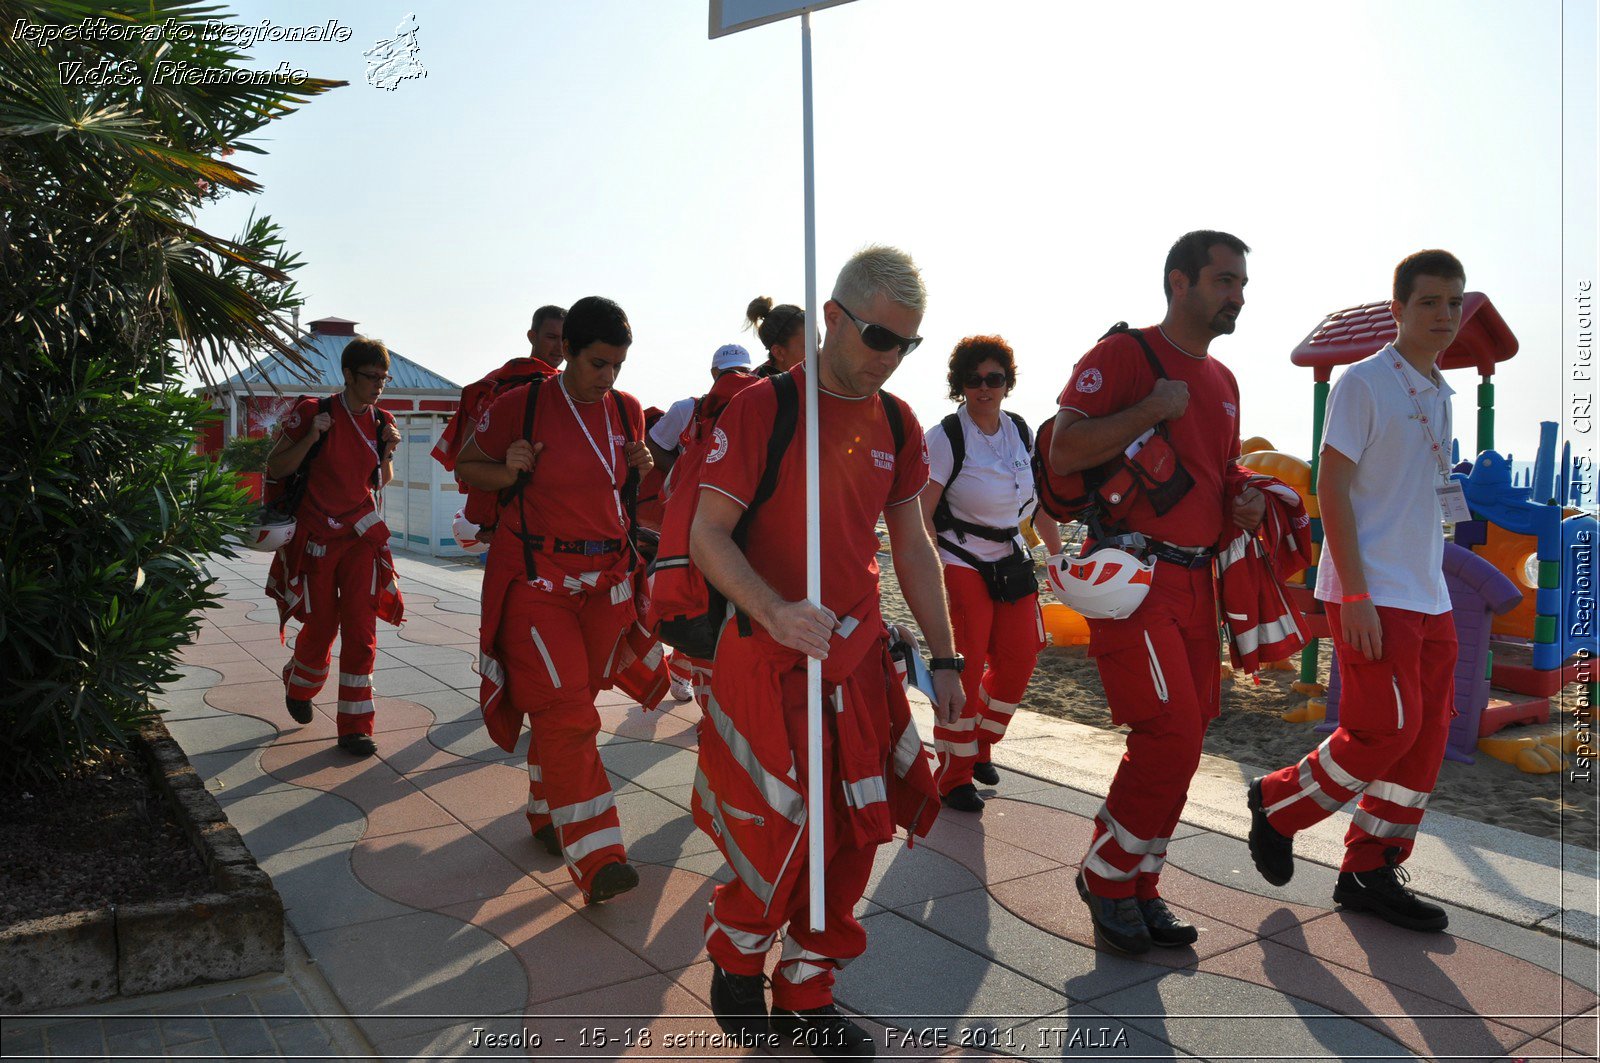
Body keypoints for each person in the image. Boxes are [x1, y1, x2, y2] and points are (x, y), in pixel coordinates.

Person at [692, 247, 961, 1060]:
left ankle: (807, 992)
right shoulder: (764, 409)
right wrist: (774, 610)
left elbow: (913, 546)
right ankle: (736, 961)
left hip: (856, 664)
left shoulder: (896, 421)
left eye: (908, 345)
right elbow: (707, 534)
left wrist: (944, 661)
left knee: (851, 837)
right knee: (776, 828)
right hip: (768, 654)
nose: (892, 357)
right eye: (881, 337)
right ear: (834, 318)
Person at [1047, 230, 1263, 954]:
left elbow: (1220, 474)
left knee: (1189, 737)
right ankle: (1108, 877)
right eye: (1225, 280)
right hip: (1134, 578)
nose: (1238, 294)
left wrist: (1244, 502)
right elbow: (1063, 451)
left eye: (1240, 282)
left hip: (1197, 580)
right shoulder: (1123, 356)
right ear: (1179, 281)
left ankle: (1141, 884)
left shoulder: (1226, 380)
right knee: (1167, 732)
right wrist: (1150, 408)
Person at [1246, 251, 1467, 933]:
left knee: (1426, 735)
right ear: (1396, 309)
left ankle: (1371, 866)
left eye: (1453, 303)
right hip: (1372, 592)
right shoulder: (1363, 382)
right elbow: (1333, 487)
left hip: (1429, 593)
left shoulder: (1441, 391)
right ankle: (1277, 804)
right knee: (1382, 728)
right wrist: (1357, 594)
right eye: (1428, 301)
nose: (1443, 315)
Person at [454, 296, 653, 904]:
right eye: (598, 363)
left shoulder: (627, 413)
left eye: (617, 364)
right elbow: (468, 467)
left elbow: (617, 491)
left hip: (602, 585)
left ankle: (548, 811)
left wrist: (641, 466)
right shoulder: (523, 405)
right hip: (538, 585)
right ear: (565, 350)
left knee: (572, 700)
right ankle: (598, 856)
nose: (609, 377)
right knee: (570, 713)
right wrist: (508, 466)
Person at [920, 335, 1063, 812]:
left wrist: (1059, 556)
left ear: (1007, 383)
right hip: (960, 561)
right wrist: (929, 566)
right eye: (974, 379)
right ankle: (953, 775)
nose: (984, 387)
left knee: (1020, 657)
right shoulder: (945, 437)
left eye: (994, 378)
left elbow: (1039, 500)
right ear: (960, 384)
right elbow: (921, 509)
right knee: (963, 665)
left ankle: (978, 745)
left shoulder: (1019, 430)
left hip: (1012, 559)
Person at [265, 337, 404, 758]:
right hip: (316, 537)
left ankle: (355, 727)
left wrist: (389, 451)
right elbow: (275, 466)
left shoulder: (382, 420)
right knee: (323, 624)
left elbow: (381, 481)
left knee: (362, 630)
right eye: (371, 377)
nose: (379, 385)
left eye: (384, 378)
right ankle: (301, 684)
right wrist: (311, 437)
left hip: (361, 535)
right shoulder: (314, 411)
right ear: (347, 375)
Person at [646, 343, 754, 476]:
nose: (737, 376)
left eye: (744, 371)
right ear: (714, 373)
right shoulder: (686, 409)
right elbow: (652, 444)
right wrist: (682, 477)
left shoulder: (757, 412)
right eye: (730, 371)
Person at [746, 295, 807, 377]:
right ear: (778, 352)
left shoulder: (820, 382)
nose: (819, 351)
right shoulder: (759, 388)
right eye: (808, 347)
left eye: (819, 344)